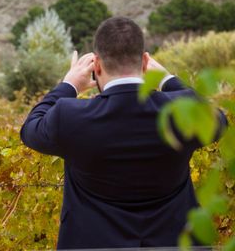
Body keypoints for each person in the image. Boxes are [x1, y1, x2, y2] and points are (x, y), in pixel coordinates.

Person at [21, 16, 228, 249]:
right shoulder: (181, 112)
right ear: (145, 62)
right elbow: (219, 120)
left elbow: (30, 129)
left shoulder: (69, 116)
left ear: (96, 66)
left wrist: (69, 85)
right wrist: (168, 79)